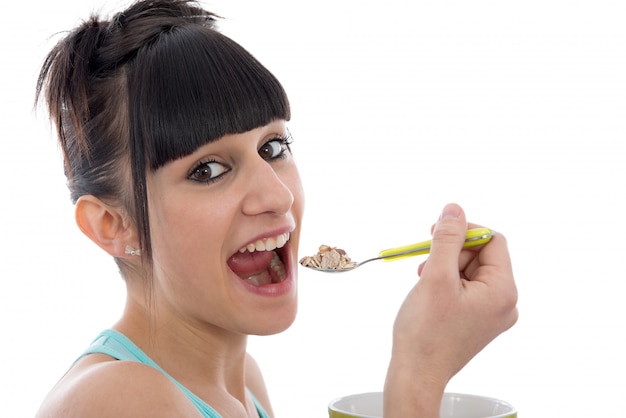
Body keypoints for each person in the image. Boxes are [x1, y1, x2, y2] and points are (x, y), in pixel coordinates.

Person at [34, 0, 518, 417]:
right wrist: (420, 368)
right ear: (113, 225)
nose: (278, 196)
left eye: (273, 147)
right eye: (208, 170)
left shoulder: (244, 385)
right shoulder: (121, 400)